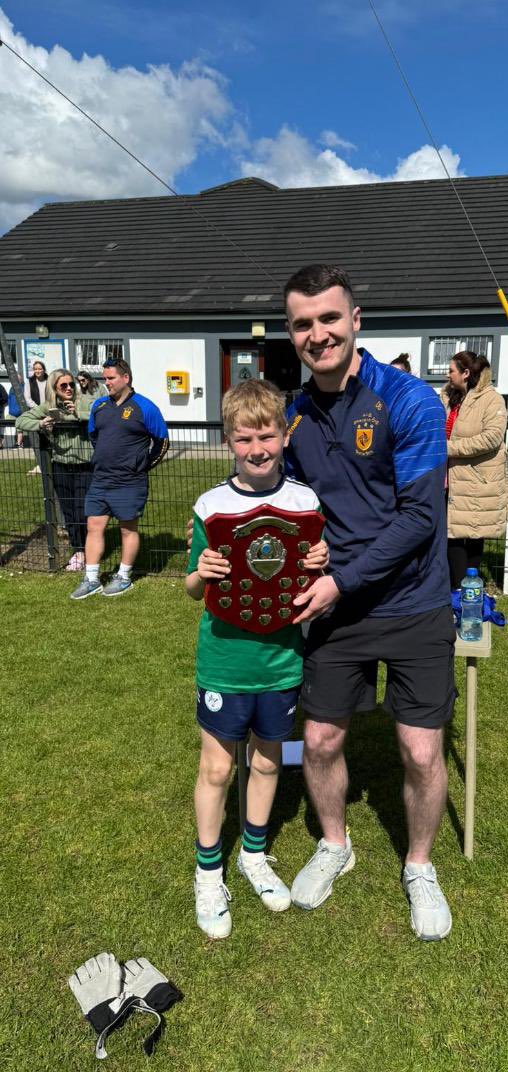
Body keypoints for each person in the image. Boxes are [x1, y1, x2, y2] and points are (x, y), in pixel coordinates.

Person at [283, 264, 455, 942]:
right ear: (292, 335)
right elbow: (289, 508)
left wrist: (340, 578)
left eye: (329, 317)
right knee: (320, 740)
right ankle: (335, 843)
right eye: (303, 323)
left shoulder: (407, 401)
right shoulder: (294, 415)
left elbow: (418, 520)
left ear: (357, 320)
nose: (317, 333)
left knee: (418, 750)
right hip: (338, 610)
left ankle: (419, 865)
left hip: (412, 602)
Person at [186, 379, 328, 938]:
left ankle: (253, 853)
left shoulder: (304, 502)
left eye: (266, 434)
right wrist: (203, 573)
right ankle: (207, 872)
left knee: (269, 761)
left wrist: (321, 556)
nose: (257, 447)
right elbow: (193, 589)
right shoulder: (211, 506)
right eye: (244, 438)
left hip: (281, 661)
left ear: (283, 436)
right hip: (225, 659)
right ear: (229, 442)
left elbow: (311, 574)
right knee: (218, 767)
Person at [70, 358, 169, 599]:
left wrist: (142, 466)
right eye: (105, 378)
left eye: (111, 378)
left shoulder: (145, 407)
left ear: (126, 378)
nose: (107, 382)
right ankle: (91, 578)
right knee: (94, 526)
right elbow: (94, 435)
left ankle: (123, 576)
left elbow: (162, 442)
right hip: (101, 479)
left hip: (130, 482)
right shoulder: (100, 406)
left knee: (127, 529)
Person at [440, 351, 508, 590]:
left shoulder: (492, 400)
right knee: (452, 534)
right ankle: (459, 590)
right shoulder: (448, 396)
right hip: (450, 479)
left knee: (470, 535)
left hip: (476, 480)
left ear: (466, 373)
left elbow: (492, 438)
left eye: (451, 371)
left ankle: (464, 592)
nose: (447, 375)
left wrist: (449, 448)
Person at [17, 369, 95, 570]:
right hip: (60, 464)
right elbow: (21, 421)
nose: (69, 388)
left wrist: (77, 414)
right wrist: (41, 423)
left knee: (81, 511)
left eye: (71, 384)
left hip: (85, 464)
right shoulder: (49, 407)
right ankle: (78, 550)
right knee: (68, 511)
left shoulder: (85, 401)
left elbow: (99, 414)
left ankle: (90, 549)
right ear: (54, 389)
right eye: (63, 386)